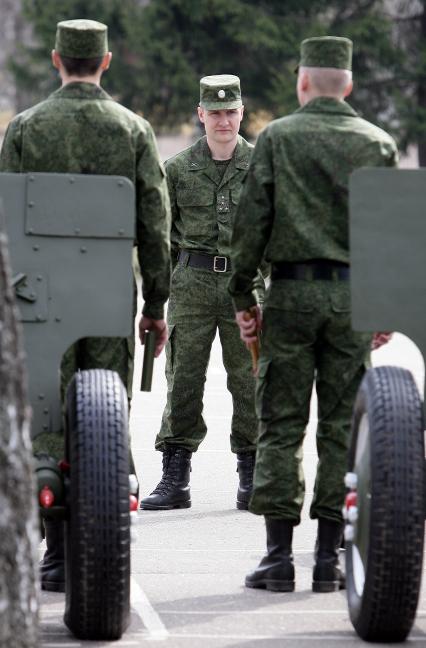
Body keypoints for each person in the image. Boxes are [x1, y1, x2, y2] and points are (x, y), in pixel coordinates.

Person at [0, 19, 171, 592]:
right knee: (104, 409)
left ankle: (53, 553)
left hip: (36, 290)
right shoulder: (134, 130)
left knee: (46, 415)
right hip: (106, 291)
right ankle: (96, 542)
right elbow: (155, 221)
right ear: (106, 61)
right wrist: (155, 301)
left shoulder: (24, 127)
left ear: (55, 59)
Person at [229, 36, 398, 592]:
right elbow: (389, 235)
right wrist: (385, 304)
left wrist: (243, 298)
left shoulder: (277, 137)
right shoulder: (378, 144)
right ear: (347, 84)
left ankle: (278, 558)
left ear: (303, 82)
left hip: (293, 296)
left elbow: (253, 222)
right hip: (352, 299)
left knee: (281, 424)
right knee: (340, 427)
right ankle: (329, 559)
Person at [140, 75, 262, 511]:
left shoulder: (263, 166)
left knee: (248, 379)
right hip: (190, 284)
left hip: (244, 287)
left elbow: (274, 233)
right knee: (184, 379)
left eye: (231, 112)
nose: (224, 120)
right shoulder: (176, 169)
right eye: (215, 112)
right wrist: (157, 294)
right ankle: (176, 478)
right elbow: (162, 237)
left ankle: (252, 475)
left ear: (242, 113)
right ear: (201, 114)